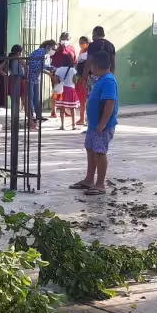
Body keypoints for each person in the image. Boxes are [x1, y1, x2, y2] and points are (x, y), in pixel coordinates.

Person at [70, 51, 118, 196]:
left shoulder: (109, 81)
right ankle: (89, 179)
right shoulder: (101, 79)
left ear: (95, 66)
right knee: (90, 150)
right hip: (94, 125)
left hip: (102, 127)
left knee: (99, 152)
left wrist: (102, 124)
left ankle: (100, 184)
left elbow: (109, 103)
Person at [28, 40, 56, 128]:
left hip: (36, 77)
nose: (53, 51)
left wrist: (52, 69)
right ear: (47, 46)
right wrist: (49, 71)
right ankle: (31, 117)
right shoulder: (39, 53)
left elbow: (44, 66)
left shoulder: (45, 55)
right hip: (30, 77)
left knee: (37, 98)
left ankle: (38, 115)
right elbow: (36, 66)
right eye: (53, 48)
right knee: (31, 98)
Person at [80, 26, 116, 93]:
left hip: (94, 77)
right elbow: (113, 64)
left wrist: (84, 77)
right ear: (103, 35)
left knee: (93, 97)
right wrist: (112, 76)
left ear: (94, 34)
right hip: (107, 75)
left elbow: (88, 62)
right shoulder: (111, 45)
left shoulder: (92, 45)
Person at [0, 45, 30, 118]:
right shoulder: (18, 58)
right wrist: (26, 77)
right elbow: (26, 67)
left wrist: (5, 75)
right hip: (19, 79)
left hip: (12, 79)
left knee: (14, 100)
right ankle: (21, 118)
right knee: (21, 100)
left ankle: (14, 118)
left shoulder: (9, 58)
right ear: (19, 52)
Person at [54, 54, 79, 130]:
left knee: (62, 108)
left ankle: (62, 125)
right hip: (70, 89)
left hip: (61, 90)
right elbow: (75, 81)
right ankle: (73, 125)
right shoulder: (73, 70)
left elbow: (55, 80)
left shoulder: (58, 70)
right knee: (72, 108)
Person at [75, 36, 91, 126]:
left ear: (87, 43)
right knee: (81, 100)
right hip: (79, 77)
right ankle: (82, 118)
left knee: (85, 100)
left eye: (83, 42)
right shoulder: (81, 52)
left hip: (85, 79)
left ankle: (85, 119)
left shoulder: (89, 53)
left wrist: (83, 79)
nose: (81, 44)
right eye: (80, 42)